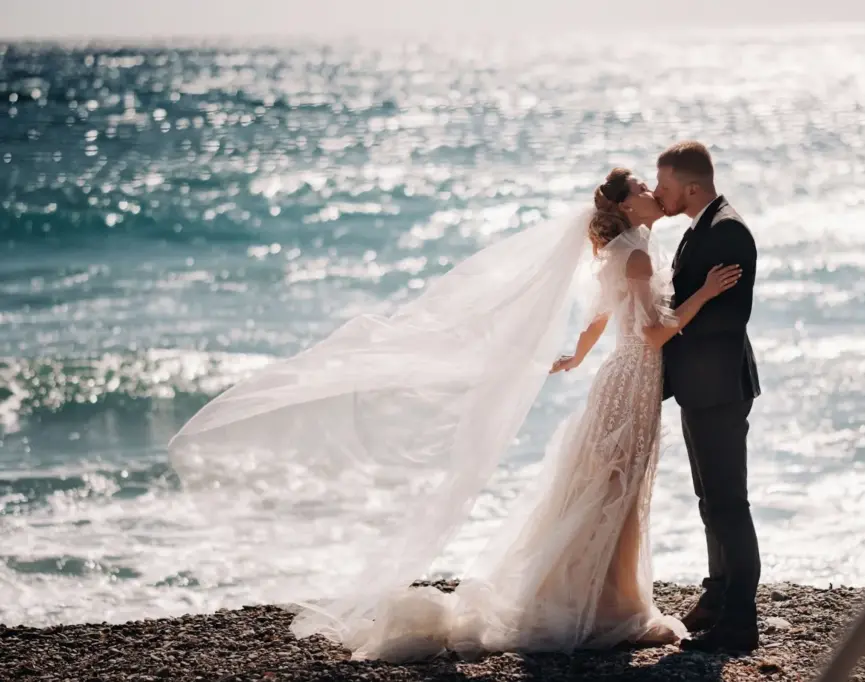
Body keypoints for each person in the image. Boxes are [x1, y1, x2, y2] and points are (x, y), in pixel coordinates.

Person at [168, 167, 740, 662]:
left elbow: (599, 316)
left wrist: (580, 355)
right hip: (632, 381)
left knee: (610, 490)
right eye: (643, 187)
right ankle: (604, 609)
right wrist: (707, 294)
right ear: (622, 204)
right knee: (614, 492)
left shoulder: (626, 249)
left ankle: (607, 601)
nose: (651, 192)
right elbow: (656, 331)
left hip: (624, 378)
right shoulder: (636, 251)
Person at [654, 141, 762, 653]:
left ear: (691, 187)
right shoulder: (700, 226)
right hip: (701, 388)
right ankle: (717, 596)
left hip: (719, 387)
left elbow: (727, 320)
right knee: (709, 501)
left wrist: (670, 325)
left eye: (666, 187)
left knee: (728, 504)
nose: (659, 194)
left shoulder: (728, 231)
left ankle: (741, 622)